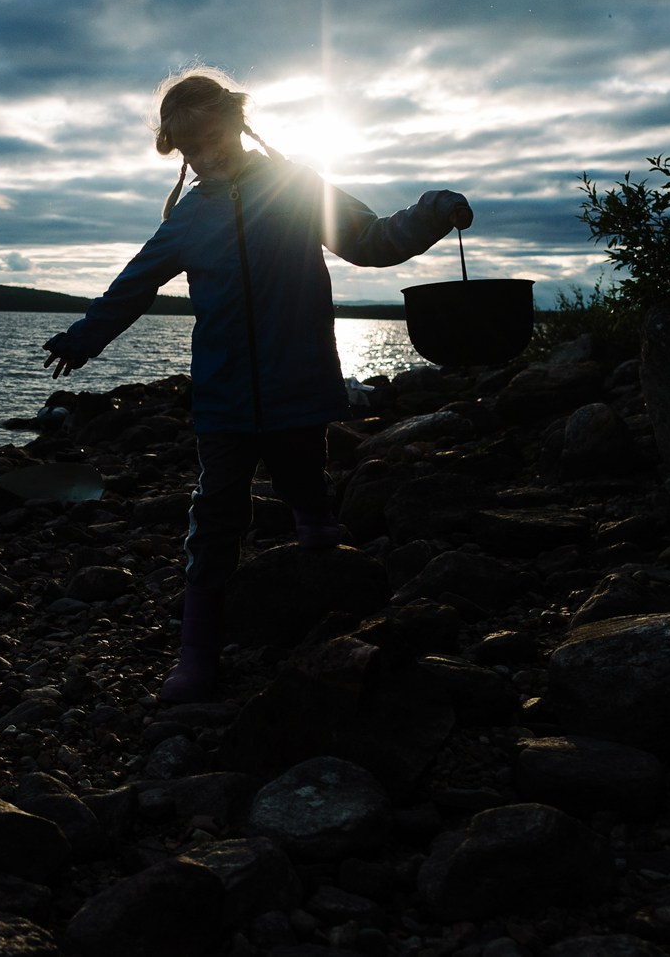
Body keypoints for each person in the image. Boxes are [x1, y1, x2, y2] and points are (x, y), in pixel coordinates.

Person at [42, 69, 472, 704]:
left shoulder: (297, 187)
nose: (206, 156)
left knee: (302, 473)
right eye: (191, 149)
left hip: (299, 376)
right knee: (215, 513)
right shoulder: (188, 219)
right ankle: (198, 655)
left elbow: (370, 240)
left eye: (213, 139)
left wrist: (433, 212)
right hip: (223, 395)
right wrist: (81, 340)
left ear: (237, 126)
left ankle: (316, 530)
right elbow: (131, 288)